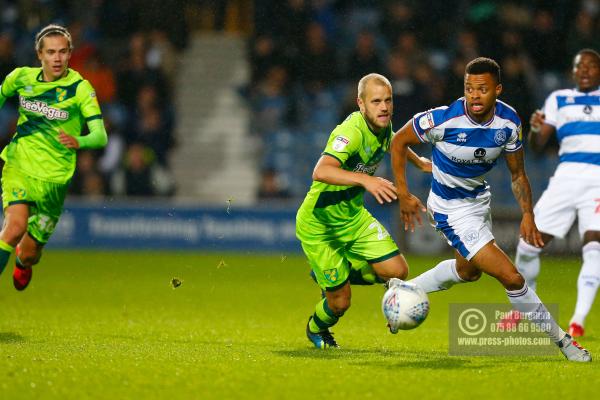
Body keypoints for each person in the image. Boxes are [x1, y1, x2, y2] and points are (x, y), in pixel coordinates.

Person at [390, 57, 591, 362]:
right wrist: (404, 194)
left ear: (497, 89)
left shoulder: (509, 122)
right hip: (450, 209)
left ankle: (403, 291)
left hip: (479, 201)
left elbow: (517, 174)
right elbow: (398, 141)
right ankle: (564, 342)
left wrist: (527, 214)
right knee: (512, 277)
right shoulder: (443, 119)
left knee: (467, 272)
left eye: (482, 89)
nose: (474, 95)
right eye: (469, 89)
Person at [296, 73, 431, 348]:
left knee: (397, 271)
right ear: (361, 104)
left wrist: (419, 162)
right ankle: (315, 329)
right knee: (340, 302)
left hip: (352, 217)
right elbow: (320, 171)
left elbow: (394, 141)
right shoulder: (352, 132)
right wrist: (366, 179)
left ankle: (337, 273)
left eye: (388, 100)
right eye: (376, 101)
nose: (384, 107)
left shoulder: (383, 126)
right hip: (320, 225)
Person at [0, 24, 108, 290]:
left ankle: (22, 264)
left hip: (54, 182)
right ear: (39, 55)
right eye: (50, 52)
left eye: (62, 52)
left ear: (70, 53)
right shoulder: (20, 78)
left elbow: (100, 135)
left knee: (28, 253)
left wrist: (79, 140)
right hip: (20, 165)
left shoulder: (80, 89)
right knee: (14, 228)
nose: (57, 58)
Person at [514, 49, 600, 338]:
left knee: (594, 246)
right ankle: (525, 307)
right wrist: (535, 130)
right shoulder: (558, 99)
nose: (585, 70)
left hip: (598, 181)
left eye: (591, 65)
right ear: (573, 72)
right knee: (528, 245)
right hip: (565, 178)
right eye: (579, 66)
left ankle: (578, 320)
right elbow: (537, 147)